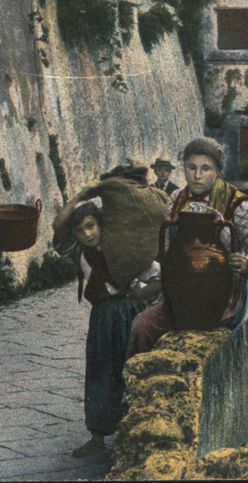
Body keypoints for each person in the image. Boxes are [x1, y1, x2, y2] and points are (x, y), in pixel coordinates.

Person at [127, 137, 248, 358]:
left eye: (206, 169)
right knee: (141, 326)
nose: (197, 175)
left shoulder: (240, 205)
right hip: (180, 294)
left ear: (217, 172)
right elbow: (166, 251)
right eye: (191, 167)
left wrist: (246, 263)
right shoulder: (176, 199)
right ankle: (136, 386)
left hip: (222, 299)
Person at [53, 196, 161, 458]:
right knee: (102, 372)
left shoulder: (124, 248)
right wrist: (78, 199)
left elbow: (157, 277)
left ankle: (137, 433)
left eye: (91, 226)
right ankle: (98, 436)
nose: (87, 234)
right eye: (80, 230)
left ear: (100, 224)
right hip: (104, 316)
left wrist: (141, 292)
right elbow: (59, 230)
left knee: (134, 368)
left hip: (131, 312)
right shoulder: (80, 252)